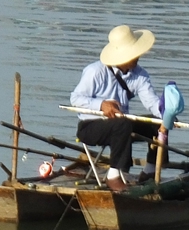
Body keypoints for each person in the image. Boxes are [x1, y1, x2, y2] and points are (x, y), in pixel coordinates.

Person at [71, 25, 167, 192]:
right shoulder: (95, 71)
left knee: (157, 123)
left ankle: (149, 171)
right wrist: (101, 104)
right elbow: (75, 99)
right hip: (91, 126)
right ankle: (113, 176)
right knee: (122, 124)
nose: (138, 56)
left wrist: (166, 115)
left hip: (121, 124)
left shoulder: (140, 75)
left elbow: (151, 102)